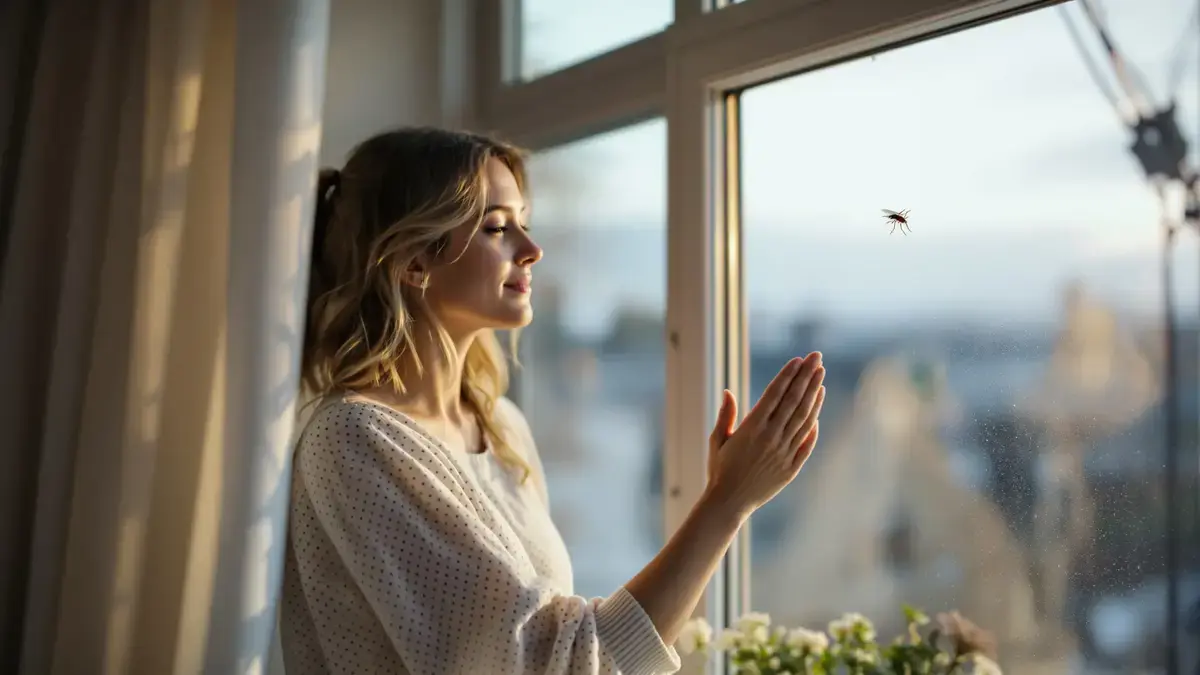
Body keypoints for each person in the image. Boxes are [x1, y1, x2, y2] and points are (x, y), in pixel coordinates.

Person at [280, 126, 827, 675]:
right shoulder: (354, 441)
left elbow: (556, 642)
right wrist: (726, 502)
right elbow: (548, 664)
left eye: (525, 223)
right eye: (497, 227)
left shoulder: (501, 427)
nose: (532, 250)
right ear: (414, 262)